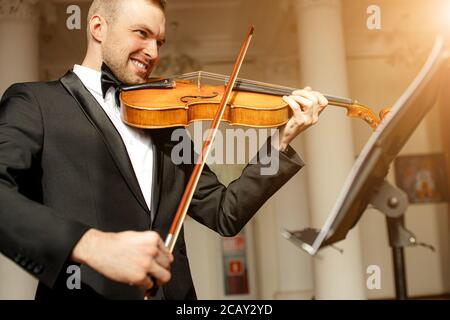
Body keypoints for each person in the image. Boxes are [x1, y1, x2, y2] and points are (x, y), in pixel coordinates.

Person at [0, 0, 328, 300]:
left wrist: (280, 141)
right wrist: (91, 245)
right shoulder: (35, 103)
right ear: (98, 28)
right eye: (141, 34)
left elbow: (225, 213)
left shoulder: (165, 123)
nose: (153, 52)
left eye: (158, 41)